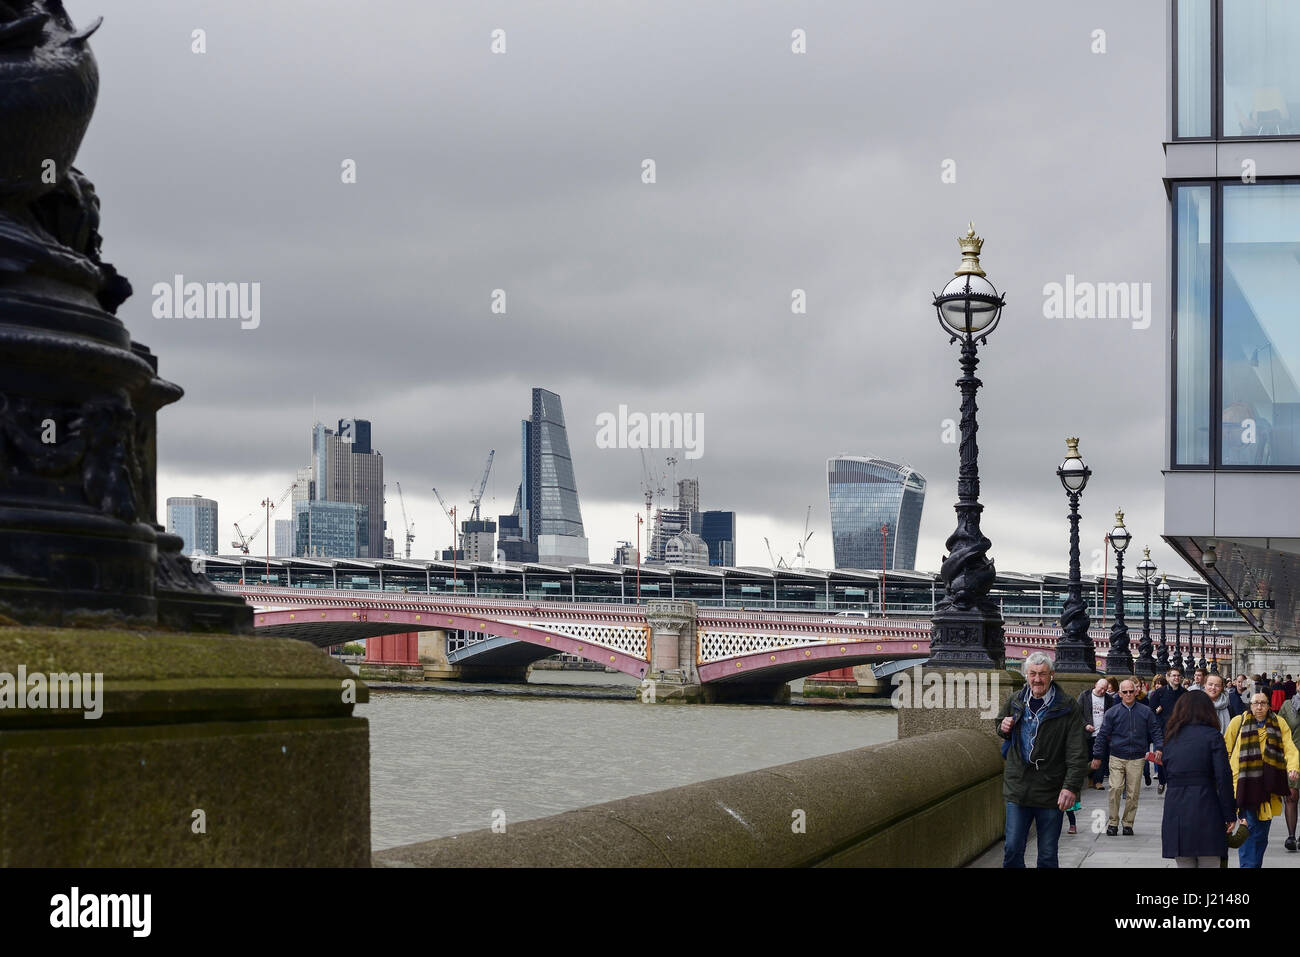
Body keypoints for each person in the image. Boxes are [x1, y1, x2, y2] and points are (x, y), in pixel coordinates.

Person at [997, 652, 1088, 868]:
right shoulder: (1015, 700)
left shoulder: (1067, 706)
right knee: (1012, 848)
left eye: (1042, 674)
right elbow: (1000, 724)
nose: (1037, 679)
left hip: (1051, 790)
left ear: (1051, 675)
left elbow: (1077, 750)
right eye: (1033, 674)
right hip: (1018, 788)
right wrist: (1003, 726)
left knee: (1047, 855)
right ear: (1026, 675)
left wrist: (1070, 787)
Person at [1161, 690, 1239, 867]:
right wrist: (1229, 813)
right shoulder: (1213, 736)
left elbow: (1166, 772)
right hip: (1206, 805)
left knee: (1184, 861)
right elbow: (1223, 777)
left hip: (1176, 807)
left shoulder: (1171, 737)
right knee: (1209, 860)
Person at [1225, 692, 1300, 867]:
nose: (1259, 707)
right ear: (1250, 705)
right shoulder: (1238, 722)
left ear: (1269, 705)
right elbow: (1226, 750)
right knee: (1249, 831)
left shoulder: (1278, 723)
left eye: (1263, 703)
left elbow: (1289, 747)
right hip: (1244, 786)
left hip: (1268, 788)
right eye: (1255, 703)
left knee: (1261, 836)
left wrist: (1293, 767)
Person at [1092, 678, 1163, 835]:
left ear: (1136, 692)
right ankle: (1113, 823)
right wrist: (1097, 755)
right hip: (1117, 756)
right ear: (1120, 693)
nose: (1129, 694)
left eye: (1131, 691)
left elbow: (1155, 730)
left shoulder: (1145, 711)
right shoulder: (1112, 712)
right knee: (1115, 788)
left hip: (1137, 757)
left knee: (1132, 793)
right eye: (1125, 692)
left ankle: (1128, 823)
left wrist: (1159, 747)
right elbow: (1102, 735)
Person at [1147, 669, 1186, 794]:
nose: (1176, 678)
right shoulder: (1159, 693)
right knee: (1162, 757)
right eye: (1173, 676)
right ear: (1168, 677)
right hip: (1163, 730)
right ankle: (1162, 781)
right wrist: (1157, 714)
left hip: (1179, 730)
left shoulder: (1185, 693)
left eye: (1178, 676)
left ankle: (1174, 782)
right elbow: (1150, 711)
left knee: (1178, 757)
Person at [1077, 678, 1116, 791]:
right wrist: (1085, 725)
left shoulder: (1109, 699)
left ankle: (1098, 781)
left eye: (1105, 689)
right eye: (1101, 688)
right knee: (1089, 756)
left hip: (1102, 734)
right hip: (1088, 734)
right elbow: (1077, 713)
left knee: (1101, 757)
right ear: (1095, 685)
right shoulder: (1084, 695)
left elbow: (1112, 715)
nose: (1103, 691)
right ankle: (1090, 778)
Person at [1278, 689, 1300, 851]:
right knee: (1291, 796)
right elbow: (1277, 729)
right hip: (1292, 756)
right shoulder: (1287, 705)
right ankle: (1291, 836)